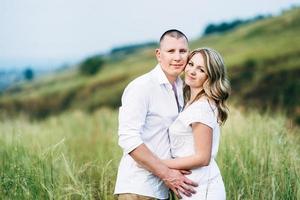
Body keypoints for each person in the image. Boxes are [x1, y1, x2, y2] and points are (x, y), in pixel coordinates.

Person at [114, 29, 198, 200]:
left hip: (163, 190)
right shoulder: (142, 87)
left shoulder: (183, 88)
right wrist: (166, 173)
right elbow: (128, 139)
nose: (177, 57)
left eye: (182, 51)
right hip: (138, 188)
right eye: (171, 51)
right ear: (159, 54)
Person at [161, 47, 230, 199]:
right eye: (191, 64)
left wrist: (159, 164)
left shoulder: (201, 108)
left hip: (203, 189)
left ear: (210, 77)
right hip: (194, 187)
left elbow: (202, 158)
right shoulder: (192, 103)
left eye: (201, 70)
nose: (192, 71)